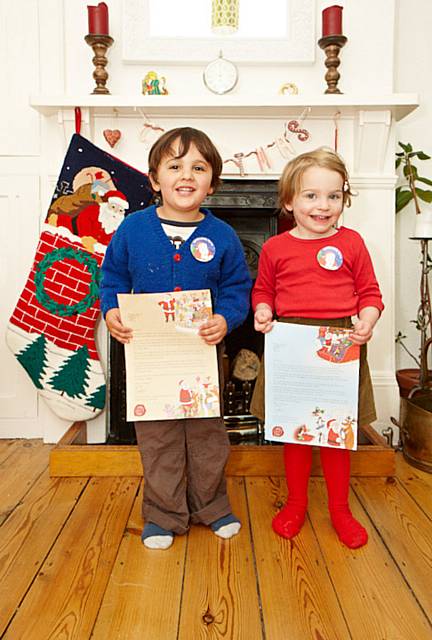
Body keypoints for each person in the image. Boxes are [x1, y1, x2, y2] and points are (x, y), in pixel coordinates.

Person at [100, 127, 252, 550]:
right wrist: (111, 310)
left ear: (212, 183)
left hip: (203, 355)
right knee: (159, 437)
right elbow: (111, 278)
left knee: (207, 435)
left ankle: (212, 506)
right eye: (175, 166)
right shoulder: (132, 230)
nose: (186, 175)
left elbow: (238, 288)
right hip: (150, 358)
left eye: (198, 168)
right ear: (154, 179)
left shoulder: (221, 236)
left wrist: (226, 317)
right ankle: (163, 514)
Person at [251, 147, 384, 549]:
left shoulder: (353, 243)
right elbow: (264, 291)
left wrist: (367, 320)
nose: (322, 206)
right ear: (289, 201)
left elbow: (371, 293)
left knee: (336, 433)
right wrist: (262, 312)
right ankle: (295, 504)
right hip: (291, 343)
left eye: (333, 196)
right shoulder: (275, 248)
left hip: (340, 341)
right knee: (297, 432)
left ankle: (340, 510)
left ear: (344, 199)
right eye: (310, 196)